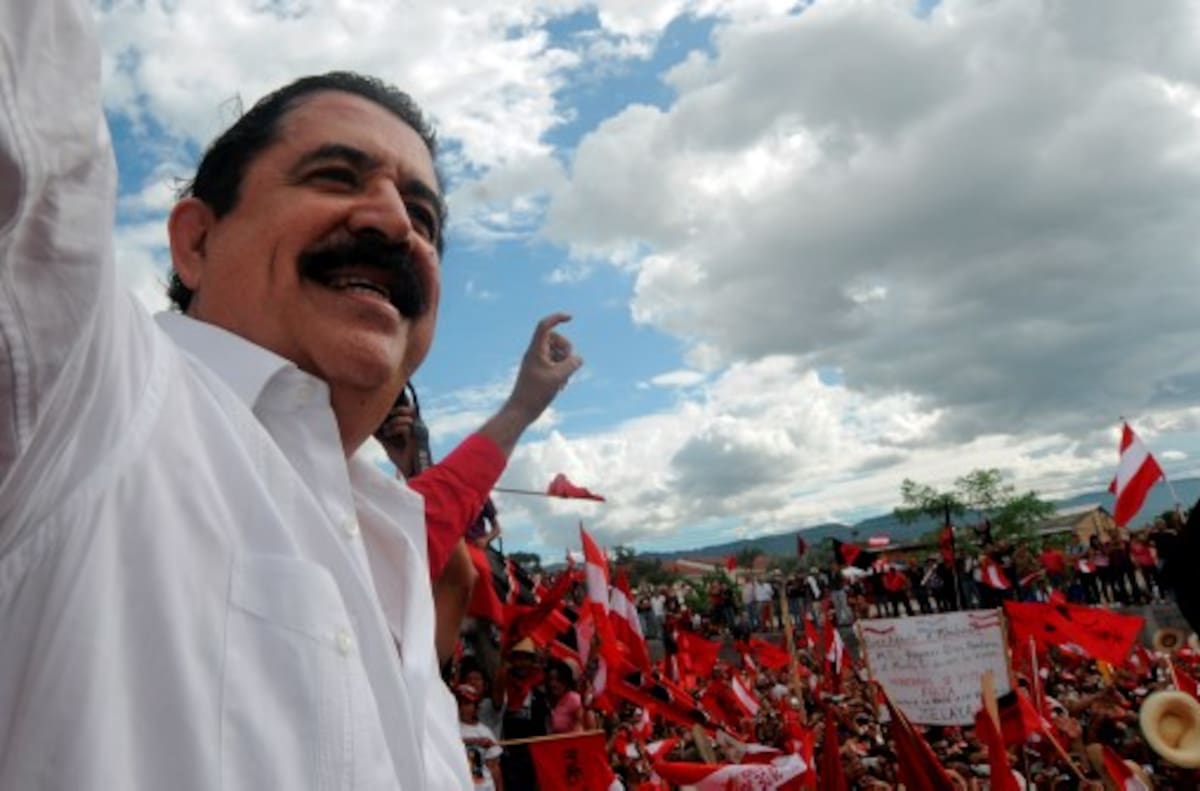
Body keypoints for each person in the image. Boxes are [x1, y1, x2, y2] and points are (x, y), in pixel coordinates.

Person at [0, 2, 582, 788]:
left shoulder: (395, 538)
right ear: (197, 241)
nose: (393, 223)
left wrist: (523, 403)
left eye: (424, 215)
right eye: (336, 176)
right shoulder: (82, 401)